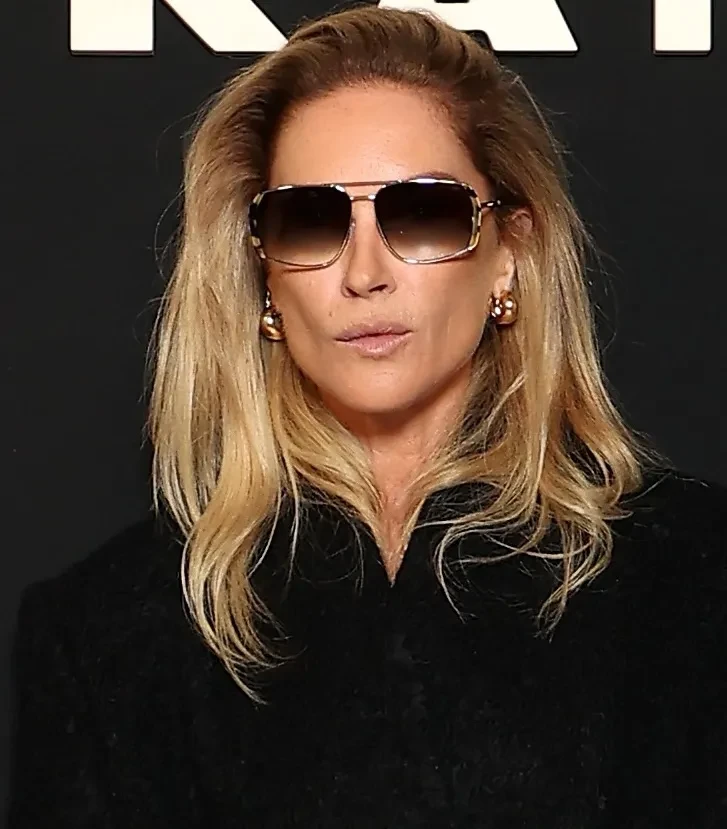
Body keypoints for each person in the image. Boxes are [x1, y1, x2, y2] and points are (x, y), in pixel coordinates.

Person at [6, 5, 726, 827]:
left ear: (509, 252)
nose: (363, 273)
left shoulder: (695, 580)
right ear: (263, 275)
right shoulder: (108, 631)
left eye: (422, 213)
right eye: (308, 221)